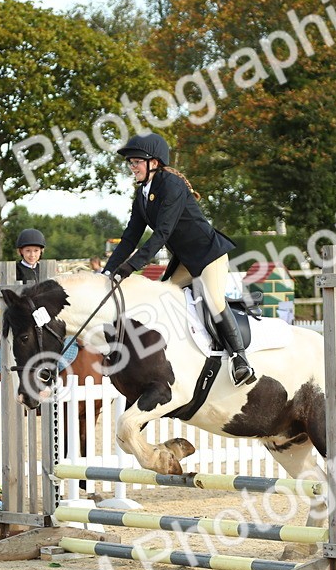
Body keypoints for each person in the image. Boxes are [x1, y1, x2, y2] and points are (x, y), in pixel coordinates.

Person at [105, 132, 255, 385]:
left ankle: (241, 360)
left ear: (154, 162)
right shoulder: (142, 196)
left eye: (136, 162)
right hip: (186, 261)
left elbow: (162, 234)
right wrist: (109, 271)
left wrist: (130, 267)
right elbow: (129, 238)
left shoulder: (171, 185)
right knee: (165, 297)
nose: (132, 167)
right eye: (130, 163)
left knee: (214, 299)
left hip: (209, 255)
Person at [0, 229, 45, 308]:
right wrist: (14, 308)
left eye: (36, 250)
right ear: (21, 251)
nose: (32, 255)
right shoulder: (14, 270)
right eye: (28, 251)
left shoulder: (43, 269)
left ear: (41, 251)